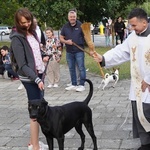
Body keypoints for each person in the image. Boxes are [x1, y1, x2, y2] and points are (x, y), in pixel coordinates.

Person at [91, 8, 150, 150]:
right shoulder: (132, 37)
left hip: (148, 82)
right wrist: (103, 58)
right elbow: (120, 51)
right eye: (130, 25)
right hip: (138, 84)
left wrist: (148, 80)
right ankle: (146, 143)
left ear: (144, 22)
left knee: (148, 112)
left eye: (134, 25)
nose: (131, 28)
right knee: (139, 112)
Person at [10, 8, 48, 150]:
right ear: (18, 23)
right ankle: (36, 146)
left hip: (38, 74)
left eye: (29, 21)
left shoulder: (32, 33)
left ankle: (33, 142)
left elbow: (35, 52)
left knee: (38, 109)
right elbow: (23, 65)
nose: (27, 24)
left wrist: (44, 55)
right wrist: (36, 80)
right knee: (35, 112)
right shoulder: (16, 38)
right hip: (29, 78)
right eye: (23, 23)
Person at [59, 8, 86, 92]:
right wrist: (66, 41)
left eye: (74, 16)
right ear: (68, 17)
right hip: (69, 51)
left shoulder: (81, 25)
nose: (72, 18)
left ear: (76, 17)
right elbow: (61, 38)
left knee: (81, 68)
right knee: (71, 68)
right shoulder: (65, 26)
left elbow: (86, 36)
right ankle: (74, 84)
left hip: (79, 51)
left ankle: (82, 84)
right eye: (71, 17)